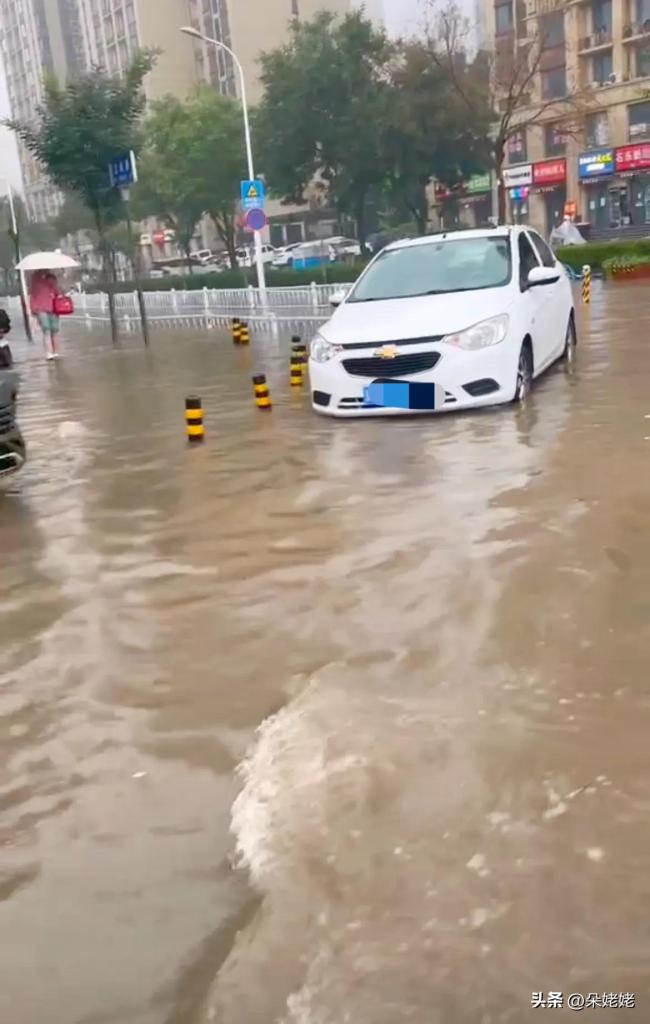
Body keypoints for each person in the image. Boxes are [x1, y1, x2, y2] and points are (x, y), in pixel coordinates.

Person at [29, 270, 61, 360]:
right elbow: (33, 295)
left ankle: (54, 352)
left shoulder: (51, 278)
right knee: (48, 330)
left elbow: (57, 292)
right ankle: (50, 352)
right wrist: (33, 310)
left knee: (53, 330)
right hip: (42, 309)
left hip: (52, 309)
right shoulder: (35, 279)